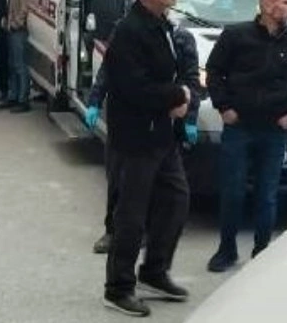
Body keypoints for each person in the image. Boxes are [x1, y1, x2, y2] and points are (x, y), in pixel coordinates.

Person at [102, 0, 193, 317]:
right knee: (132, 214)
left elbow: (170, 73)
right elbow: (132, 87)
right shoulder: (130, 31)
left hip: (162, 135)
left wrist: (181, 95)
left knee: (176, 201)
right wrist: (177, 96)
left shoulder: (161, 25)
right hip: (135, 137)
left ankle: (154, 272)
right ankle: (118, 287)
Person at [204, 0, 287, 273]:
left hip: (274, 130)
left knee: (267, 194)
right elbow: (214, 72)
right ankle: (226, 250)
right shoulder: (236, 36)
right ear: (267, 6)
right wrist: (223, 106)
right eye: (286, 2)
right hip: (239, 127)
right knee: (233, 192)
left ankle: (262, 252)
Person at [85, 21, 201, 255]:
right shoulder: (127, 31)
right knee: (118, 179)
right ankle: (112, 230)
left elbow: (190, 81)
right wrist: (95, 101)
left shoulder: (181, 38)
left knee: (158, 182)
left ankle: (148, 232)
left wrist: (190, 118)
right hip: (127, 122)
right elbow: (108, 71)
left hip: (164, 121)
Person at [4, 0, 33, 113]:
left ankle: (22, 99)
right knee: (13, 64)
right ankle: (14, 96)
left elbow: (24, 6)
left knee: (20, 65)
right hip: (13, 27)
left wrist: (16, 23)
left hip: (18, 29)